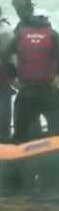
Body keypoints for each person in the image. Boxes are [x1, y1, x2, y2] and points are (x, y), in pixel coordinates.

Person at [2, 0, 59, 143]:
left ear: (19, 11)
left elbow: (5, 54)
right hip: (49, 89)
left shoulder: (19, 33)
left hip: (27, 91)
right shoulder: (49, 31)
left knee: (22, 136)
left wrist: (12, 78)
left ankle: (25, 153)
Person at [0, 8, 15, 142]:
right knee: (3, 112)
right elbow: (12, 57)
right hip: (3, 78)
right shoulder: (5, 31)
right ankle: (4, 139)